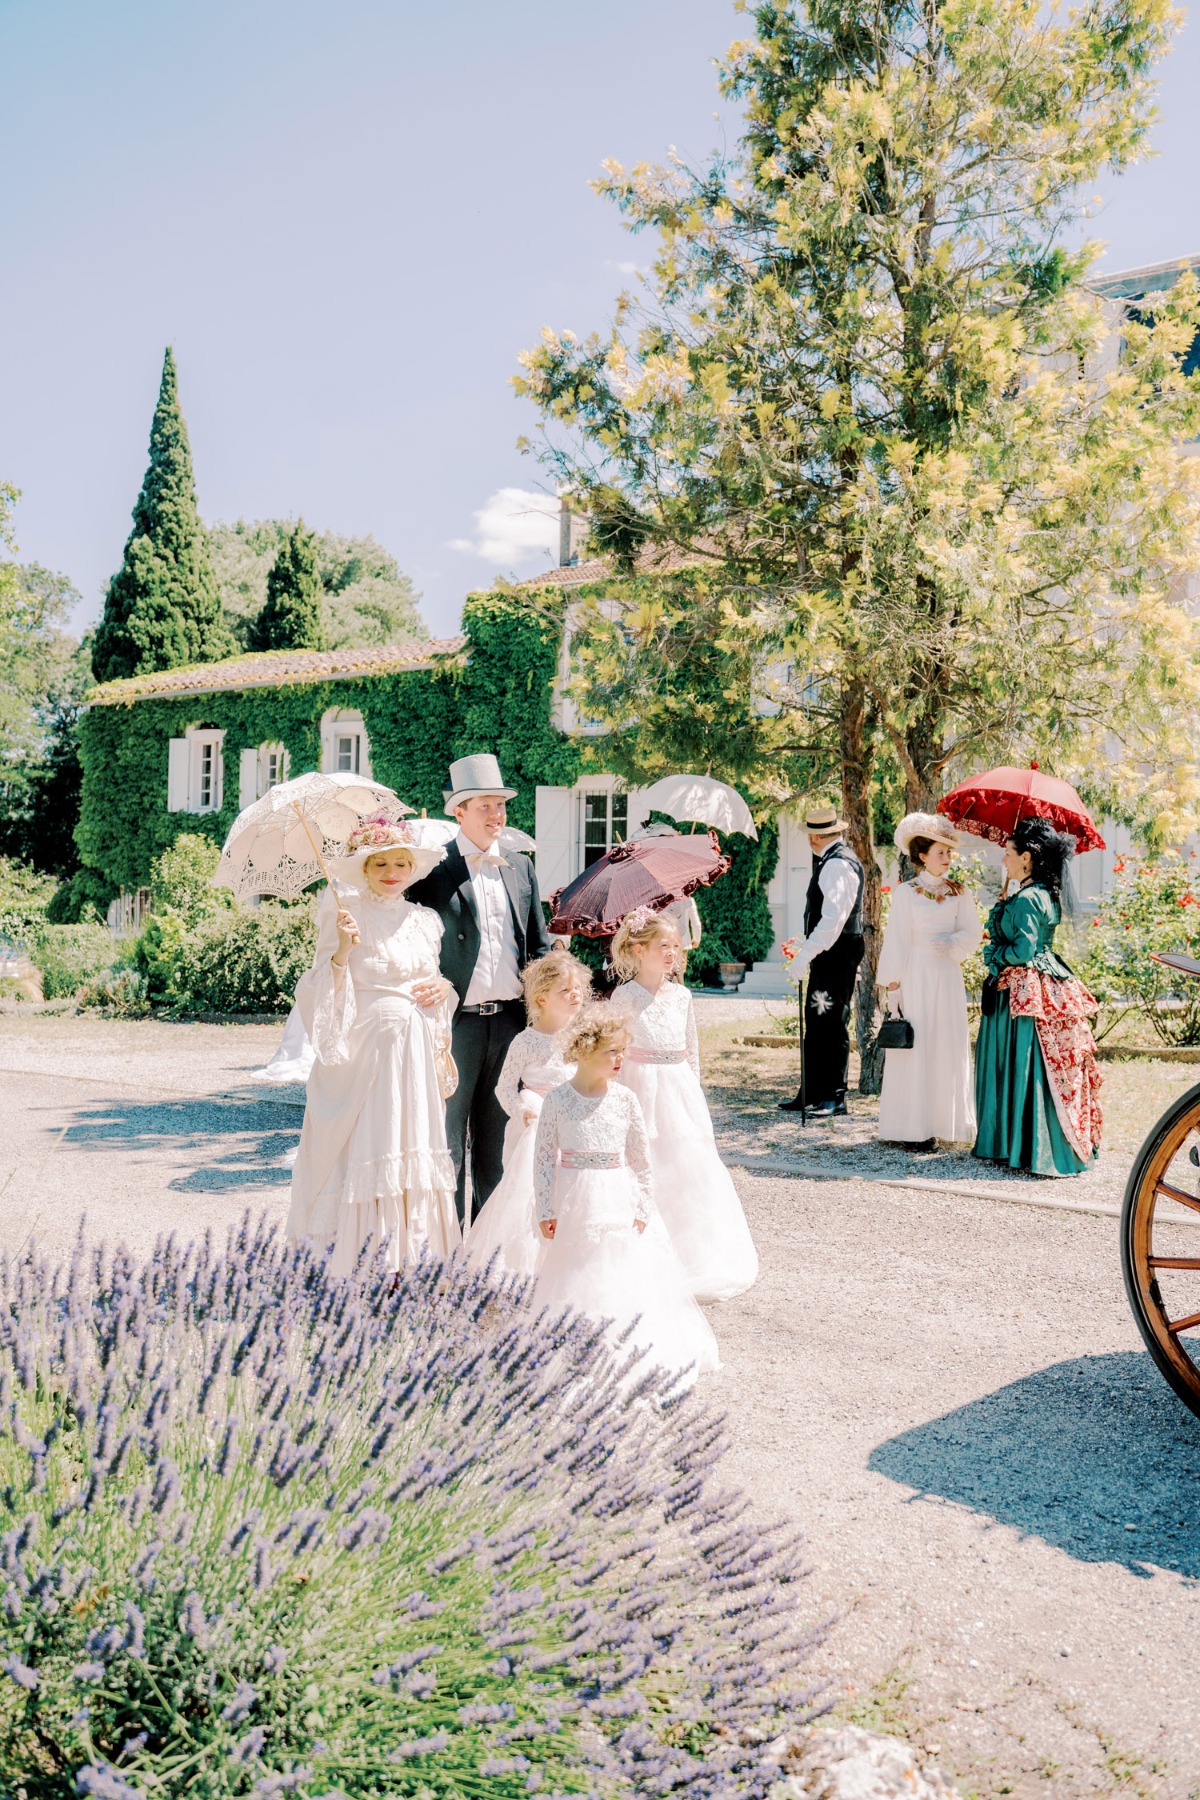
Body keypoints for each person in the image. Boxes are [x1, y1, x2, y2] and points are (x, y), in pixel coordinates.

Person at [285, 819, 459, 1276]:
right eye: (380, 862)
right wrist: (342, 951)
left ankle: (415, 1261)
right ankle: (366, 1262)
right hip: (367, 1057)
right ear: (363, 867)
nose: (391, 871)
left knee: (412, 1140)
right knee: (375, 1141)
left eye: (401, 862)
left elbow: (434, 980)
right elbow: (317, 989)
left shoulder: (426, 921)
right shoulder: (345, 913)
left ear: (412, 867)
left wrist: (442, 988)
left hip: (416, 1051)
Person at [533, 1005, 720, 1387]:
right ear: (584, 1051)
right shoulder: (557, 1101)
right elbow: (542, 1160)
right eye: (610, 1052)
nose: (620, 1059)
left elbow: (642, 1160)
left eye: (623, 1050)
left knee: (621, 1267)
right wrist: (545, 1207)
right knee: (577, 1269)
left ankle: (624, 1342)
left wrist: (643, 1204)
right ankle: (580, 1345)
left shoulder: (625, 1100)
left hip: (618, 1197)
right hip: (574, 1197)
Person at [406, 753, 553, 1226]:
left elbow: (538, 947)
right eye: (484, 806)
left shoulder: (520, 867)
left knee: (499, 1143)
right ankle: (447, 1247)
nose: (496, 815)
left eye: (500, 805)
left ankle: (488, 1254)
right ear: (459, 811)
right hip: (454, 1026)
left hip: (511, 1024)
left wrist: (551, 1017)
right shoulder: (430, 869)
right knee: (447, 1142)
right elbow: (410, 939)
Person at [607, 908, 758, 1301]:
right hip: (641, 1086)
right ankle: (647, 1254)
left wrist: (695, 1092)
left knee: (689, 1167)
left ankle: (695, 1256)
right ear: (639, 950)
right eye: (663, 946)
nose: (672, 953)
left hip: (679, 1089)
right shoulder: (624, 996)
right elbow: (615, 1050)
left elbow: (691, 1051)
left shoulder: (682, 995)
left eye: (675, 945)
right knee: (647, 1164)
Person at [973, 816, 1102, 1177]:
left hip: (1026, 988)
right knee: (1034, 1064)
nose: (1004, 860)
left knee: (1028, 1063)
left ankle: (1027, 1145)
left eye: (1009, 853)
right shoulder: (1039, 893)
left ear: (1026, 857)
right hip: (1040, 982)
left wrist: (994, 954)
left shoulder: (1030, 898)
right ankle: (1023, 1142)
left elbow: (1023, 950)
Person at [465, 946, 591, 1278]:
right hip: (536, 1123)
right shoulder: (526, 1041)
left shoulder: (581, 1038)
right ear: (541, 1000)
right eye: (565, 990)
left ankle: (571, 1262)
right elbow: (504, 1087)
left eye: (577, 988)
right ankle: (527, 1264)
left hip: (576, 1121)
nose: (575, 995)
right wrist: (522, 1109)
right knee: (532, 1192)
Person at [875, 813, 982, 1149]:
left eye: (949, 853)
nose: (947, 859)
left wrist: (953, 943)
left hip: (946, 974)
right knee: (916, 1047)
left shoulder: (959, 891)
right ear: (922, 856)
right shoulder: (907, 893)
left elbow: (973, 931)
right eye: (940, 853)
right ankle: (912, 1128)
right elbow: (896, 938)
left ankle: (942, 1123)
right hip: (916, 973)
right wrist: (894, 985)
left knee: (944, 1044)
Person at [779, 803, 866, 1117]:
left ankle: (833, 1096)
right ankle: (812, 1092)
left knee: (830, 1021)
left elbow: (832, 921)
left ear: (814, 838)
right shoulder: (832, 859)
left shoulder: (836, 865)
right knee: (817, 1020)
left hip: (837, 952)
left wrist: (806, 953)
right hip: (834, 951)